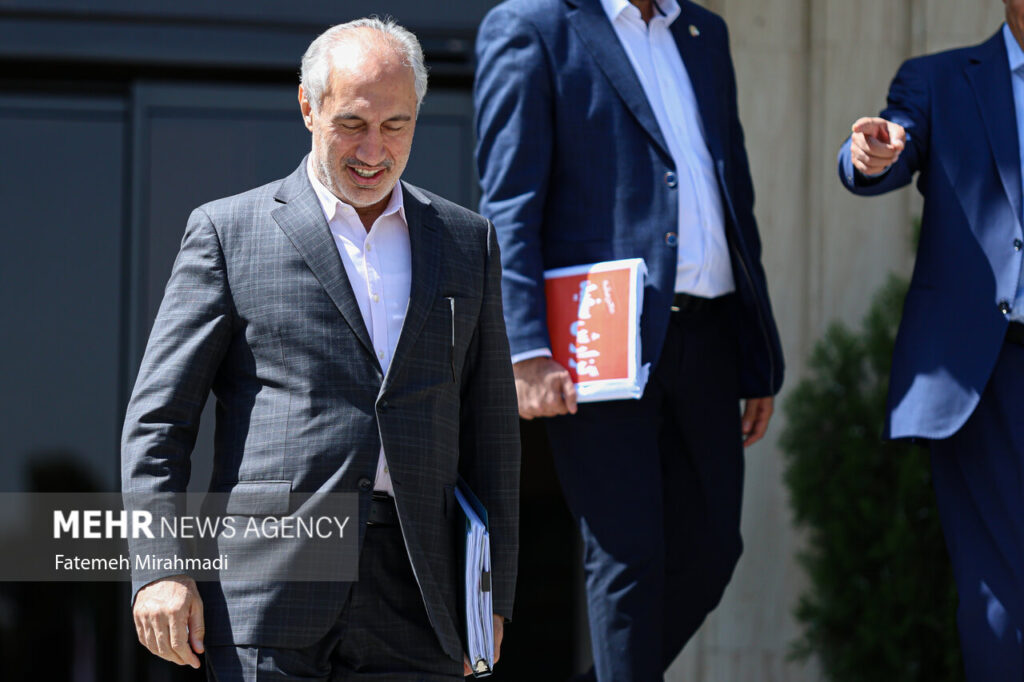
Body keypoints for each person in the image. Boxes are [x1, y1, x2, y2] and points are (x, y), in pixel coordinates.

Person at [121, 17, 520, 681]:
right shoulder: (228, 232)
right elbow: (159, 420)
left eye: (396, 125)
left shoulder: (465, 241)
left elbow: (494, 435)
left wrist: (493, 594)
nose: (374, 149)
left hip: (422, 592)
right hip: (269, 588)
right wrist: (161, 566)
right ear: (308, 107)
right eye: (352, 124)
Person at [474, 0, 785, 679]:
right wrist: (525, 349)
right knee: (628, 556)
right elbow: (509, 204)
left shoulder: (704, 32)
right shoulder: (532, 27)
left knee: (711, 551)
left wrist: (755, 351)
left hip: (709, 333)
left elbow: (732, 196)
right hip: (600, 338)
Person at [837, 2, 1024, 679]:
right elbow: (888, 144)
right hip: (986, 375)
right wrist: (870, 151)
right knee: (1000, 603)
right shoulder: (940, 80)